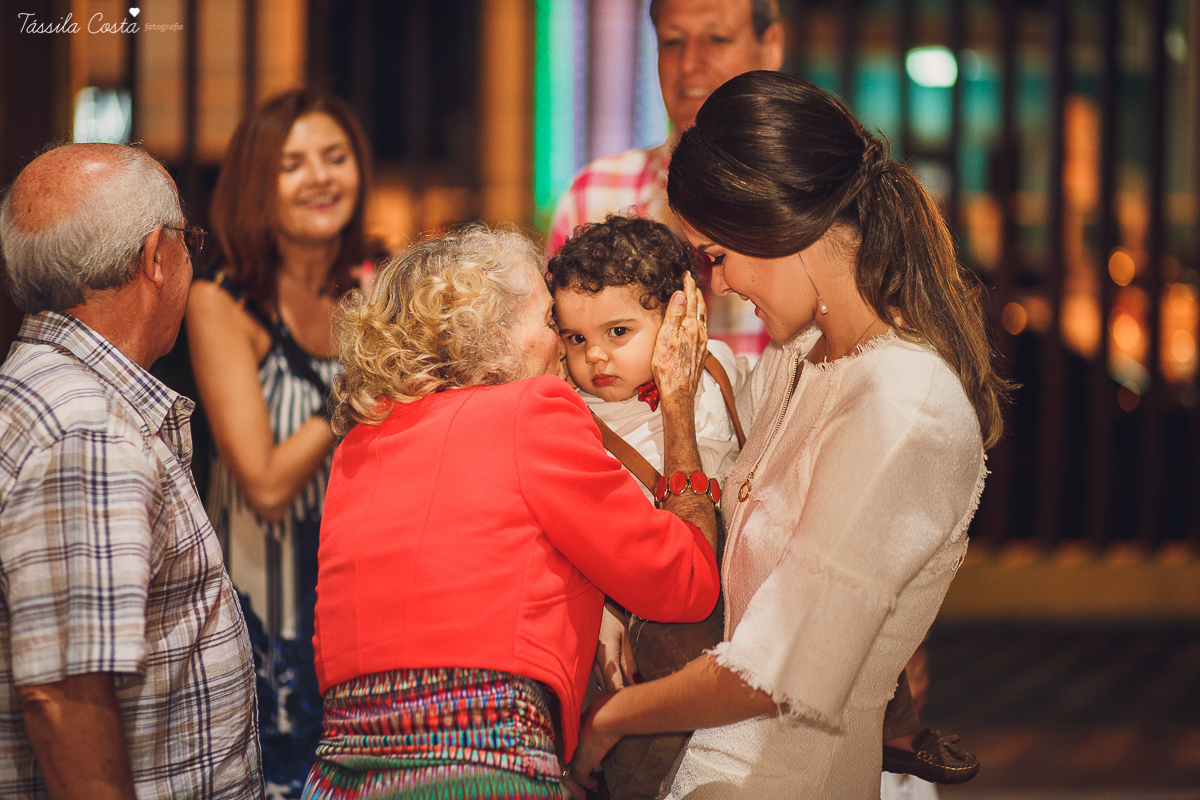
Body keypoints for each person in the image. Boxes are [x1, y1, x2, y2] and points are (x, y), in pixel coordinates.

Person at [570, 71, 1007, 798]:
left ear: (778, 225)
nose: (723, 284)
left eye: (716, 256)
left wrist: (613, 718)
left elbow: (776, 669)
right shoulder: (797, 366)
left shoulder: (903, 400)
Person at [302, 226, 720, 800]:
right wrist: (677, 407)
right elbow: (686, 582)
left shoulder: (360, 441)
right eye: (553, 324)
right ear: (493, 333)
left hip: (338, 770)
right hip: (482, 760)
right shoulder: (531, 408)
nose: (568, 347)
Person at [0, 143, 263, 799]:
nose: (190, 260)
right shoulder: (87, 429)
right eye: (187, 240)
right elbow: (61, 697)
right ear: (155, 256)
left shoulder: (45, 391)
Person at [185, 89, 374, 797]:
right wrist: (355, 396)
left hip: (357, 601)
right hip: (263, 607)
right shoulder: (222, 302)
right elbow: (262, 481)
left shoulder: (370, 290)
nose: (321, 177)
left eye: (335, 157)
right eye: (293, 164)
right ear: (256, 185)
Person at [549, 214, 751, 800]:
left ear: (679, 317)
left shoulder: (723, 374)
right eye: (577, 338)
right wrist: (606, 603)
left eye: (619, 332)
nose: (597, 359)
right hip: (639, 620)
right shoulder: (576, 418)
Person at [548, 0, 784, 354]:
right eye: (672, 41)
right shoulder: (593, 197)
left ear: (771, 47)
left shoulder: (805, 199)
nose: (689, 63)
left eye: (717, 39)